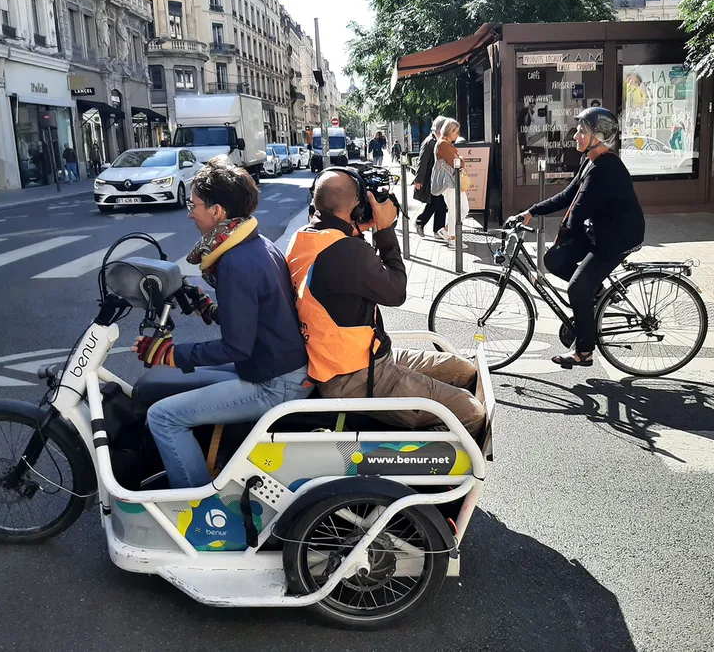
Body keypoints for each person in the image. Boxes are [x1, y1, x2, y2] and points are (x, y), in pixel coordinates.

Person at [131, 156, 312, 488]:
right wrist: (209, 309)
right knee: (187, 387)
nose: (190, 213)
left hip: (275, 384)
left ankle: (197, 504)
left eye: (194, 205)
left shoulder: (235, 262)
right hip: (277, 367)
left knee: (163, 416)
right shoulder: (257, 245)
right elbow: (258, 315)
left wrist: (170, 354)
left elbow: (236, 347)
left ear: (217, 212)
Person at [286, 169, 486, 437]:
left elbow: (339, 261)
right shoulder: (348, 251)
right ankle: (422, 459)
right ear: (357, 207)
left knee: (464, 370)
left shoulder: (303, 238)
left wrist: (357, 229)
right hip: (356, 377)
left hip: (364, 358)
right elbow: (396, 292)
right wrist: (385, 230)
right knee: (472, 413)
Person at [509, 107, 645, 369]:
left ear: (598, 137)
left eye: (582, 131)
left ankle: (584, 351)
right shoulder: (590, 161)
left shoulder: (606, 168)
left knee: (576, 287)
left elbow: (578, 211)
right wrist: (531, 212)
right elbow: (568, 196)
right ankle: (598, 293)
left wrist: (563, 234)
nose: (575, 136)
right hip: (601, 230)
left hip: (618, 237)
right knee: (554, 260)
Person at [434, 119, 469, 248]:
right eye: (456, 131)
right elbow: (456, 162)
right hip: (449, 182)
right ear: (450, 131)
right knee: (456, 210)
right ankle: (453, 238)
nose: (457, 135)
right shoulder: (443, 144)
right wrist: (461, 159)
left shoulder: (445, 143)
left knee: (463, 209)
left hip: (453, 181)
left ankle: (447, 231)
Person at [413, 115, 447, 239]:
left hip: (438, 178)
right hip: (431, 179)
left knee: (441, 204)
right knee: (435, 203)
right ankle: (420, 222)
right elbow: (422, 161)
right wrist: (419, 180)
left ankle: (438, 230)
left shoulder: (437, 141)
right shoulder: (429, 142)